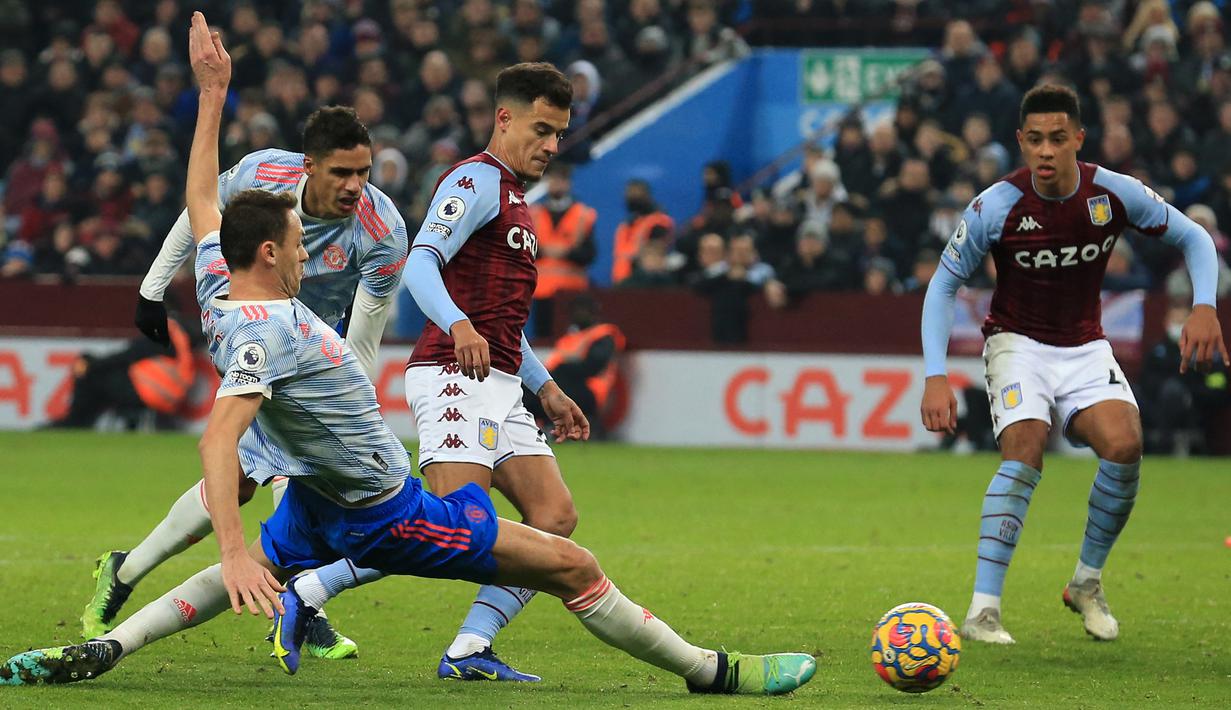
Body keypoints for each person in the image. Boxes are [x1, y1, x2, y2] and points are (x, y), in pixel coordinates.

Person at [0, 16, 817, 696]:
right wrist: (232, 547)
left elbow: (200, 198)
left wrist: (212, 94)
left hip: (317, 499)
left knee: (259, 566)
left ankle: (106, 648)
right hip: (385, 510)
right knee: (571, 562)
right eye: (298, 245)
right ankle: (709, 673)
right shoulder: (270, 334)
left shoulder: (218, 276)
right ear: (269, 253)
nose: (311, 254)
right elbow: (219, 438)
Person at [273, 62, 601, 684]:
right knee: (447, 526)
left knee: (555, 517)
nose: (552, 145)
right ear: (503, 119)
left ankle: (471, 646)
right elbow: (421, 263)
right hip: (454, 373)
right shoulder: (474, 181)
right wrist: (457, 325)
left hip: (501, 382)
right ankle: (309, 589)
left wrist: (547, 387)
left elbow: (501, 319)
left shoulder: (516, 199)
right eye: (542, 130)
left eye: (559, 133)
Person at [83, 99, 410, 656]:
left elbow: (364, 332)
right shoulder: (264, 174)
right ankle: (301, 608)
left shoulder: (383, 232)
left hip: (312, 359)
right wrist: (152, 288)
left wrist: (347, 405)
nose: (356, 186)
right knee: (275, 478)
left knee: (254, 480)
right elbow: (201, 209)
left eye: (364, 172)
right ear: (309, 165)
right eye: (342, 172)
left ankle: (128, 570)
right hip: (257, 339)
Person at [920, 85, 1226, 645]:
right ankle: (983, 610)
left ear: (1078, 139)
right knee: (1025, 447)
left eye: (1058, 138)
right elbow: (942, 285)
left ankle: (1086, 582)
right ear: (1021, 141)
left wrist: (1204, 306)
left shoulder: (1112, 193)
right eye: (1035, 139)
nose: (1046, 150)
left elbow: (1195, 238)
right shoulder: (995, 206)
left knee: (1125, 446)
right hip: (1016, 343)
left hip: (1085, 346)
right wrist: (935, 375)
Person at [48, 314, 197, 429]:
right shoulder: (179, 335)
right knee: (105, 372)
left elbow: (127, 356)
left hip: (145, 391)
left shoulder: (161, 332)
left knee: (92, 370)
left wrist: (92, 364)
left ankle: (76, 421)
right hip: (169, 398)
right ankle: (81, 419)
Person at [530, 295, 626, 438]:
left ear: (593, 313)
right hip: (562, 385)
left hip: (589, 390)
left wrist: (561, 369)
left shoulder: (603, 334)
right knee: (530, 388)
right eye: (576, 310)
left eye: (583, 310)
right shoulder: (568, 338)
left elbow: (593, 365)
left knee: (538, 391)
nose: (579, 314)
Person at [529, 161, 597, 337]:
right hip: (541, 292)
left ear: (568, 183)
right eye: (552, 180)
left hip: (572, 292)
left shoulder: (583, 215)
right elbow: (524, 250)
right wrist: (544, 251)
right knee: (543, 340)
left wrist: (567, 253)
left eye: (559, 180)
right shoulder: (534, 213)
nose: (555, 184)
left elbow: (590, 254)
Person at [611, 179, 673, 284]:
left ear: (646, 195)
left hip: (644, 282)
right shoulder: (628, 223)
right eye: (628, 194)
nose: (631, 198)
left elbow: (654, 255)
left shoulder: (658, 221)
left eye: (635, 194)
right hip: (621, 281)